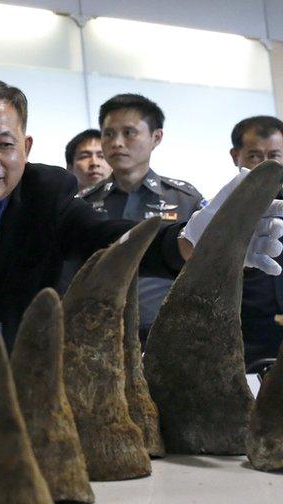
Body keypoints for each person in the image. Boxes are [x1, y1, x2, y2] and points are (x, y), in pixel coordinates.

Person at [0, 79, 281, 349]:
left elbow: (113, 238)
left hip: (28, 371)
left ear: (25, 148)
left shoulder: (47, 192)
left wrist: (193, 241)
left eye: (6, 145)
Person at [78, 94, 204, 342]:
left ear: (156, 137)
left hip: (169, 335)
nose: (117, 143)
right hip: (97, 334)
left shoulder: (185, 200)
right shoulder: (84, 204)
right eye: (108, 134)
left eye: (129, 133)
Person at [230, 116, 283, 364]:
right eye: (254, 156)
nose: (265, 165)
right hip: (244, 343)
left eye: (274, 155)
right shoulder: (219, 214)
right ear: (235, 156)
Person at [65, 129, 110, 194]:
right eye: (84, 156)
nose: (94, 163)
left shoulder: (126, 200)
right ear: (70, 167)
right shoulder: (61, 203)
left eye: (101, 156)